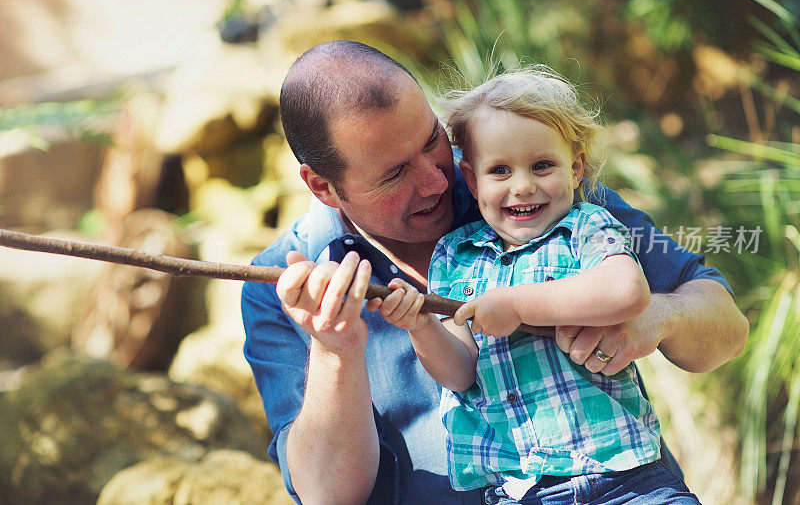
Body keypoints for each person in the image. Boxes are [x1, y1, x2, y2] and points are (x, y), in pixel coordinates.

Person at [240, 40, 748, 504]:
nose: (437, 180)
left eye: (432, 140)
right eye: (394, 173)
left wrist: (659, 316)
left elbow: (727, 327)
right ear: (323, 187)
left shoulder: (525, 182)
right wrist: (335, 348)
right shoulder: (280, 287)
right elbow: (328, 495)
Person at [376, 67, 701, 503]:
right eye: (500, 171)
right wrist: (420, 327)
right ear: (471, 181)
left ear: (576, 167)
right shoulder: (454, 256)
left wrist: (518, 304)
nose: (524, 186)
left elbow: (626, 291)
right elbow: (460, 371)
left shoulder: (586, 227)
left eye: (543, 165)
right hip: (521, 491)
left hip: (623, 478)